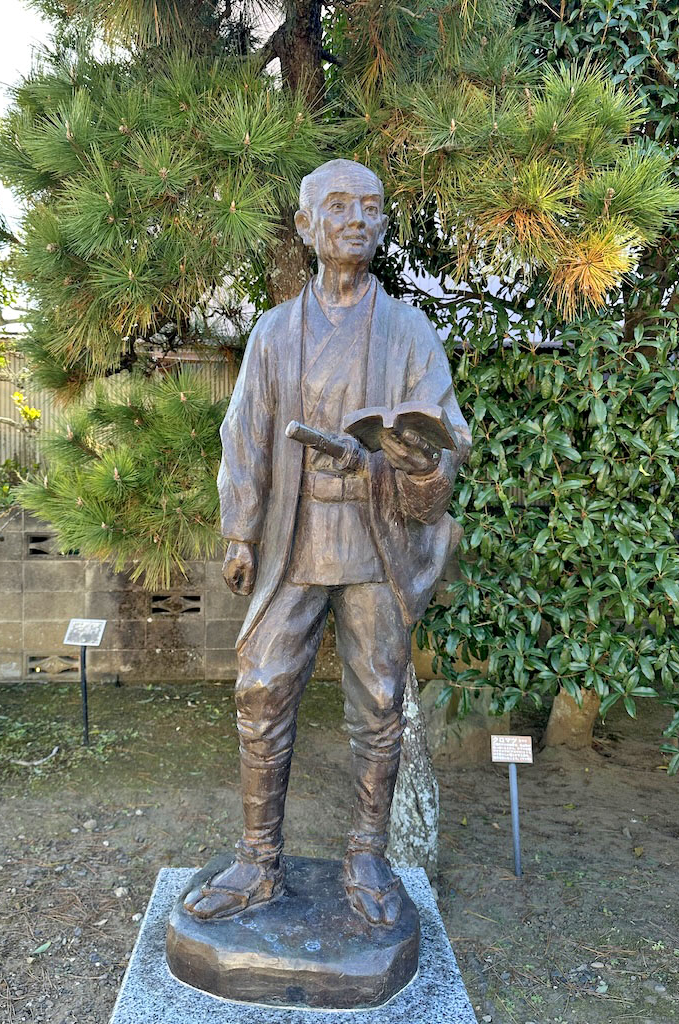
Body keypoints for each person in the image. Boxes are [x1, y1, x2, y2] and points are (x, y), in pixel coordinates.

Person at [184, 158, 471, 927]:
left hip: (376, 540)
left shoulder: (408, 331)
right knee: (261, 688)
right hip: (295, 534)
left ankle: (367, 856)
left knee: (378, 701)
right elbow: (244, 435)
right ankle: (257, 860)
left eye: (370, 208)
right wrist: (240, 531)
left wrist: (415, 458)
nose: (357, 220)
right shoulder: (275, 331)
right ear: (306, 227)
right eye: (338, 206)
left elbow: (448, 438)